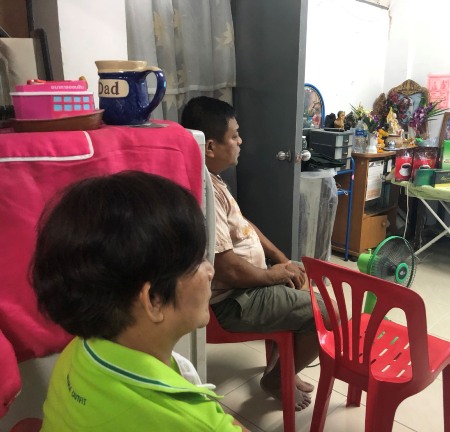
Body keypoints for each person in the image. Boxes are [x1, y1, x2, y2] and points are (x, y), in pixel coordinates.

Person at [31, 171, 246, 431]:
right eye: (197, 261)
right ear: (154, 299)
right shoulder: (191, 422)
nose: (210, 270)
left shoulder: (80, 350)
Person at [180, 96, 331, 412]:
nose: (240, 141)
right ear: (210, 147)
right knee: (328, 314)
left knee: (304, 279)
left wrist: (279, 258)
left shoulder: (212, 179)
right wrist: (272, 275)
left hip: (246, 287)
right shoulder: (203, 191)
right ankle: (276, 379)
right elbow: (228, 269)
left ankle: (284, 367)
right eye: (234, 136)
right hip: (233, 301)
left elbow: (242, 224)